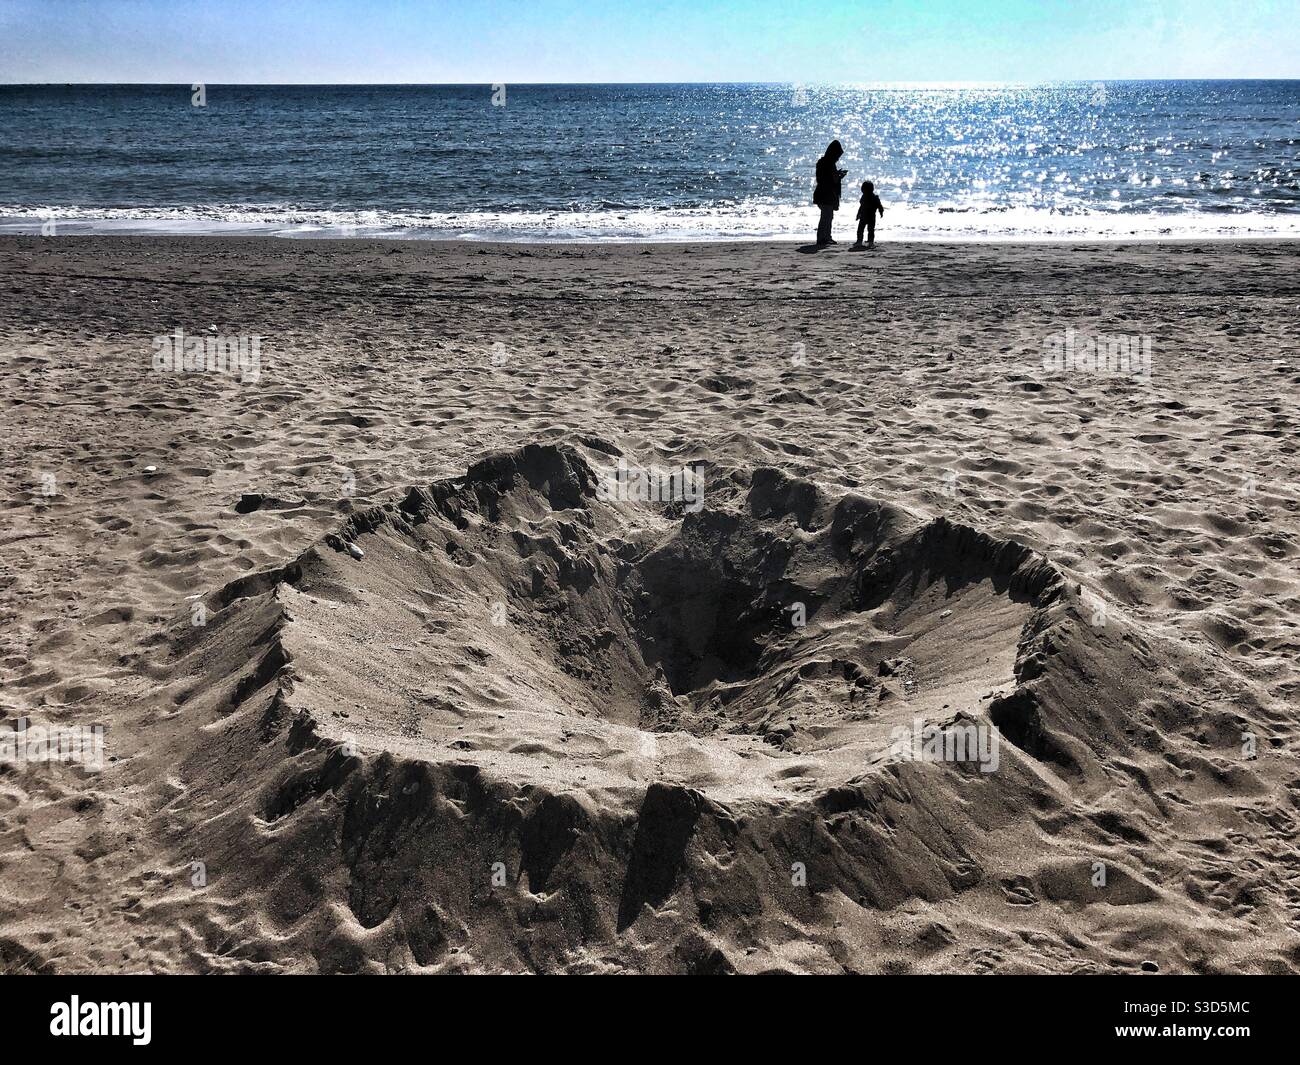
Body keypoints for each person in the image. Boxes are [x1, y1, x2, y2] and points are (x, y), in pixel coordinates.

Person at [812, 140, 847, 247]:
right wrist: (840, 175)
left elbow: (824, 177)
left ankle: (824, 237)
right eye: (837, 156)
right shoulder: (830, 164)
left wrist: (837, 174)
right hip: (827, 194)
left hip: (820, 192)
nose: (838, 158)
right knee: (827, 217)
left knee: (826, 216)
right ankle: (824, 238)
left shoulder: (821, 162)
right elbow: (834, 180)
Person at [854, 180, 885, 249]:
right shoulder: (865, 197)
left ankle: (868, 242)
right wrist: (858, 214)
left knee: (867, 230)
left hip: (869, 216)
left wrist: (881, 212)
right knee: (863, 230)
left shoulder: (874, 197)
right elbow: (861, 206)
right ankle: (862, 241)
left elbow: (880, 206)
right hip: (866, 216)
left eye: (863, 189)